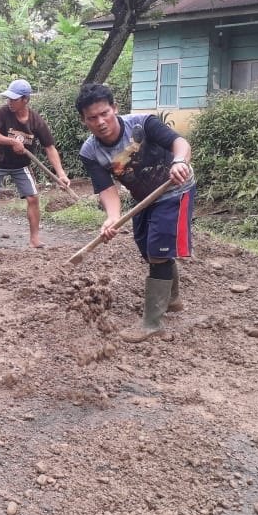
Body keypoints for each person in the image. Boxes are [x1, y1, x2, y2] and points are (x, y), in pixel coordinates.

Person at [75, 82, 196, 343]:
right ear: (84, 121)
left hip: (174, 188)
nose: (101, 122)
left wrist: (179, 162)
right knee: (147, 248)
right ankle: (172, 298)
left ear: (115, 108)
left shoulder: (143, 124)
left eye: (104, 113)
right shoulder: (90, 151)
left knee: (158, 251)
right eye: (92, 118)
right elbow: (107, 189)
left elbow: (180, 143)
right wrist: (112, 217)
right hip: (144, 197)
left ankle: (152, 323)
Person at [0, 80, 70, 249]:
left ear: (25, 100)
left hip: (21, 165)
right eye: (8, 98)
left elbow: (49, 147)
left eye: (14, 99)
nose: (9, 102)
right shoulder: (2, 113)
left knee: (33, 198)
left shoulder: (36, 121)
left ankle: (35, 239)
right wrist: (10, 141)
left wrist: (61, 174)